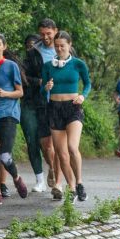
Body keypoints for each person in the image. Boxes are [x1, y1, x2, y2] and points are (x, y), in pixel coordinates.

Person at [41, 31, 91, 202]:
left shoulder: (78, 64)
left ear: (70, 45)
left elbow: (88, 83)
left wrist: (83, 95)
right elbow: (42, 89)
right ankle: (71, 187)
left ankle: (80, 182)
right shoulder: (48, 66)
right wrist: (46, 87)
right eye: (56, 46)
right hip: (54, 108)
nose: (59, 49)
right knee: (61, 153)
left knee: (72, 147)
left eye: (62, 45)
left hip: (73, 107)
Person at [0, 33, 27, 205]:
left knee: (5, 155)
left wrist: (6, 93)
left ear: (4, 46)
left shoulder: (10, 66)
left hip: (8, 114)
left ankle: (16, 178)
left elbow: (20, 91)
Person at [24, 19, 63, 199]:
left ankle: (57, 179)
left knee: (58, 143)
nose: (46, 37)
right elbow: (26, 76)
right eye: (43, 34)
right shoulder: (33, 52)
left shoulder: (65, 49)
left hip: (60, 102)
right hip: (41, 102)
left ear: (55, 31)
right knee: (46, 144)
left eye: (49, 33)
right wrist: (39, 82)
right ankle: (53, 170)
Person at [19, 34, 47, 192]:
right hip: (28, 104)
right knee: (32, 141)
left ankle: (55, 176)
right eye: (28, 45)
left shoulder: (49, 58)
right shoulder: (23, 62)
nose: (32, 47)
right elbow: (23, 79)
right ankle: (39, 179)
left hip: (46, 104)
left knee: (49, 144)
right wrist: (38, 82)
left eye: (35, 44)